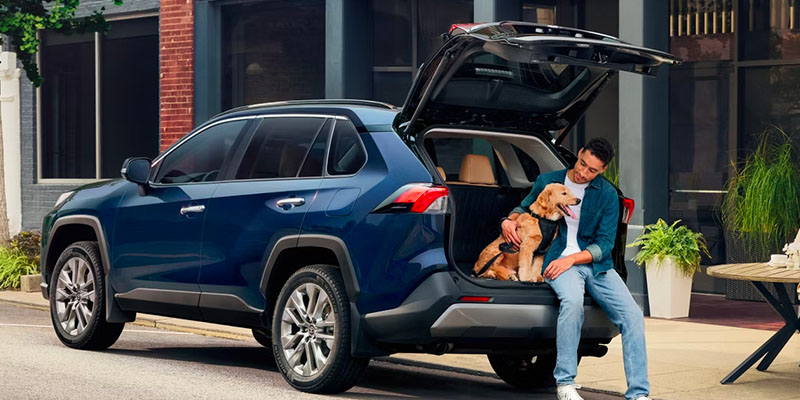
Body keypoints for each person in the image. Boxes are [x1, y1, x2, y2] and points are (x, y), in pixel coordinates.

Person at [500, 138, 650, 400]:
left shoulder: (607, 194)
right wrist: (508, 221)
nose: (582, 172)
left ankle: (638, 394)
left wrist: (571, 260)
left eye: (592, 170)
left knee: (633, 317)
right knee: (572, 303)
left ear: (602, 170)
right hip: (556, 259)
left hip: (594, 265)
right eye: (582, 163)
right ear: (579, 154)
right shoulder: (549, 181)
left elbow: (605, 244)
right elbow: (524, 207)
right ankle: (565, 383)